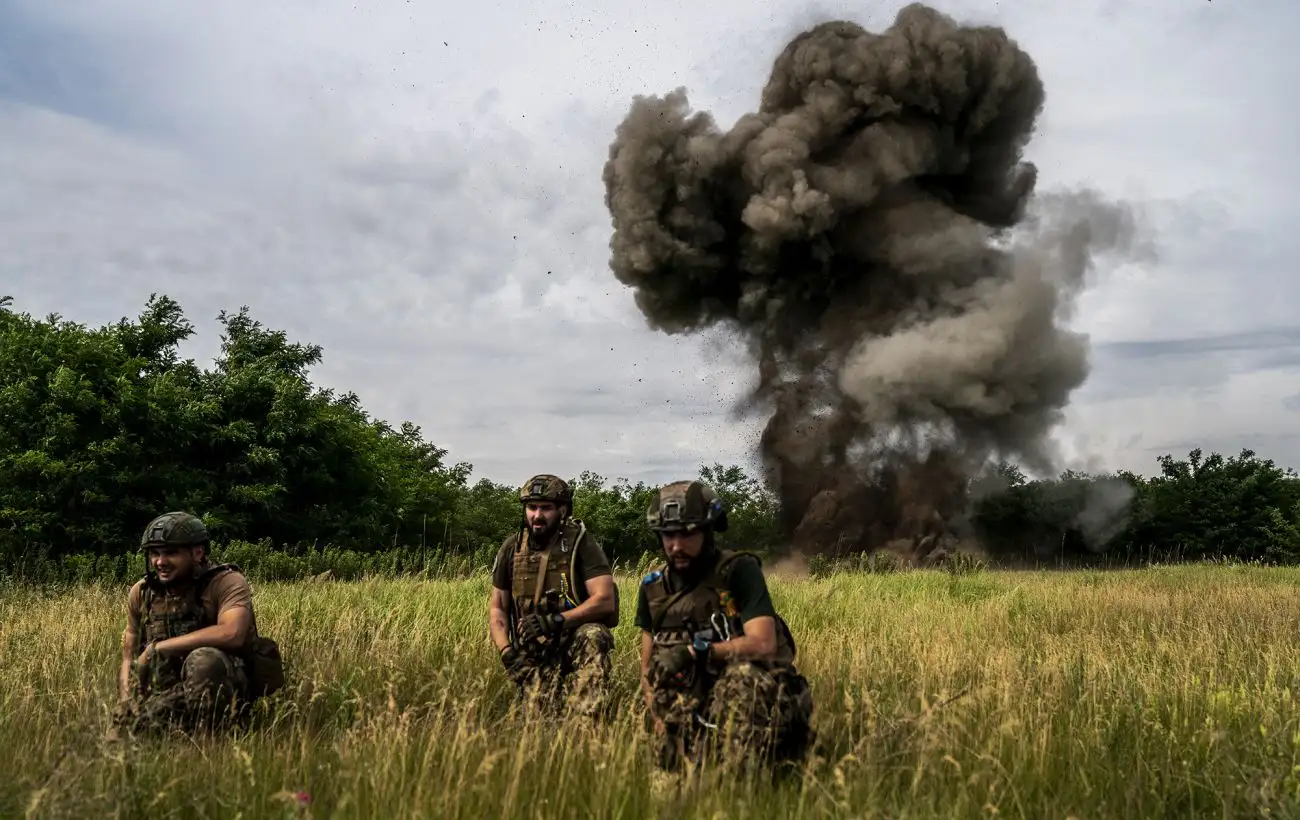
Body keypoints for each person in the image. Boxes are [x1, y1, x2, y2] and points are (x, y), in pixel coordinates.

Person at [635, 480, 813, 771]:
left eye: (687, 533)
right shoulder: (653, 588)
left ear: (707, 531)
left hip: (750, 700)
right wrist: (658, 718)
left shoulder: (738, 572)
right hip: (685, 703)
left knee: (742, 678)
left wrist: (698, 652)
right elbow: (647, 667)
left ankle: (743, 780)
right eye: (668, 535)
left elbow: (763, 644)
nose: (676, 545)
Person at [110, 511, 283, 737]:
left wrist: (158, 648)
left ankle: (212, 741)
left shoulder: (226, 583)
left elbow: (233, 633)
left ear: (198, 552)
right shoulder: (142, 593)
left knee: (203, 660)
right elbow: (129, 658)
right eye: (154, 553)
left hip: (225, 686)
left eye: (171, 553)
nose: (160, 562)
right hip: (168, 689)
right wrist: (126, 700)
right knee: (122, 733)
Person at [488, 473, 619, 716]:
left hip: (571, 638)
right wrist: (507, 653)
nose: (537, 515)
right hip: (534, 647)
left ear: (563, 510)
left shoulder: (582, 543)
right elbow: (498, 607)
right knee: (538, 723)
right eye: (531, 507)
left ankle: (589, 721)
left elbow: (604, 600)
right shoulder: (512, 547)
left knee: (593, 635)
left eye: (545, 508)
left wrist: (555, 621)